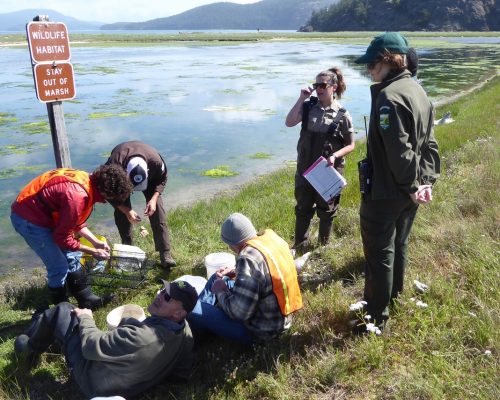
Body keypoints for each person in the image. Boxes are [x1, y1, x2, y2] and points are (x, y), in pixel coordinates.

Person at [353, 32, 440, 333]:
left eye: (372, 63)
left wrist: (412, 185)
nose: (369, 70)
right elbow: (430, 144)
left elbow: (400, 152)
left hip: (387, 192)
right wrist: (424, 182)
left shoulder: (389, 97)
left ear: (388, 59)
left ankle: (376, 319)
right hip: (409, 190)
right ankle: (394, 298)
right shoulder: (418, 90)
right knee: (399, 246)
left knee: (379, 254)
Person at [14, 279, 197, 398]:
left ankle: (29, 349)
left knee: (63, 310)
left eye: (167, 297)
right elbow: (181, 372)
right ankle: (46, 331)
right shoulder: (185, 331)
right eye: (161, 290)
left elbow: (91, 347)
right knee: (120, 321)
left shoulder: (141, 338)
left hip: (93, 381)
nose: (159, 296)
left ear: (179, 312)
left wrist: (86, 317)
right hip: (128, 383)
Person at [11, 165, 133, 309]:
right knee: (58, 266)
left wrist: (96, 243)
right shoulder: (77, 196)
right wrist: (93, 251)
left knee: (73, 255)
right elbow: (62, 237)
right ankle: (63, 312)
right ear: (107, 192)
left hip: (44, 213)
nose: (109, 201)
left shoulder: (88, 181)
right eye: (113, 198)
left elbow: (74, 221)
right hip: (29, 219)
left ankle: (86, 300)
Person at [187, 213, 303, 344]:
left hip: (262, 331)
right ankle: (204, 318)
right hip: (280, 319)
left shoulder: (247, 258)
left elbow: (239, 313)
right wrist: (235, 272)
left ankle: (194, 332)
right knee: (217, 278)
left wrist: (220, 292)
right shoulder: (271, 239)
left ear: (231, 244)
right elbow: (265, 270)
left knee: (192, 306)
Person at [285, 67, 355, 248]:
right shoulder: (308, 107)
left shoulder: (342, 114)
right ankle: (300, 246)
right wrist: (302, 98)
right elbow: (289, 122)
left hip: (328, 170)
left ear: (334, 87)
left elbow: (351, 144)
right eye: (316, 85)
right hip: (305, 169)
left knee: (327, 209)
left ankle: (323, 247)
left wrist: (334, 156)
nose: (318, 88)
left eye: (322, 85)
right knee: (303, 208)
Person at [106, 141, 176, 270]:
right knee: (122, 212)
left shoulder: (156, 162)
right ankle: (128, 251)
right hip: (121, 178)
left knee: (157, 209)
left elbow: (162, 178)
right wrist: (126, 210)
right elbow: (106, 191)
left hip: (150, 175)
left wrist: (154, 198)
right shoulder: (114, 167)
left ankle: (165, 254)